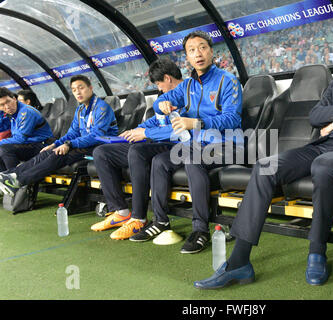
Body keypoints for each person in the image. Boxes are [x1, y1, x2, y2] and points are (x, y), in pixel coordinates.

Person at [193, 21, 333, 289]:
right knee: (266, 166)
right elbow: (315, 117)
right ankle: (239, 262)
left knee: (325, 165)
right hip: (324, 145)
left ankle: (317, 251)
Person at [129, 30, 243, 254]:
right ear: (187, 58)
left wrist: (196, 123)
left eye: (202, 47)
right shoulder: (188, 85)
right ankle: (160, 220)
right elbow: (162, 100)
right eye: (192, 50)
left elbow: (233, 118)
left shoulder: (228, 81)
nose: (198, 53)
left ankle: (200, 229)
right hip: (197, 146)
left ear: (211, 51)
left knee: (192, 158)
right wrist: (162, 104)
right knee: (160, 161)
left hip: (228, 145)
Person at [90, 58, 184, 240]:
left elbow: (180, 128)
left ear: (168, 78)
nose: (159, 88)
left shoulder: (189, 93)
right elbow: (157, 120)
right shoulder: (164, 98)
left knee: (137, 150)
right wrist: (136, 129)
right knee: (101, 153)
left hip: (173, 145)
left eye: (159, 83)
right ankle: (121, 211)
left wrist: (146, 133)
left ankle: (139, 218)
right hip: (154, 143)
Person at [0, 75, 118, 197]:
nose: (78, 92)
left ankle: (19, 181)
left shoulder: (102, 107)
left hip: (100, 147)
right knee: (49, 151)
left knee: (59, 154)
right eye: (74, 90)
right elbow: (73, 133)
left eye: (81, 88)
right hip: (85, 145)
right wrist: (55, 144)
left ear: (90, 88)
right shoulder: (80, 109)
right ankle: (12, 175)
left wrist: (69, 144)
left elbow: (96, 136)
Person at [0, 87, 53, 172]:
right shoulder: (12, 113)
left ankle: (15, 178)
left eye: (8, 102)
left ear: (14, 99)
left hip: (42, 146)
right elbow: (2, 126)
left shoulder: (26, 112)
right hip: (28, 145)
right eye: (2, 105)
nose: (7, 106)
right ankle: (3, 178)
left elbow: (20, 139)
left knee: (5, 149)